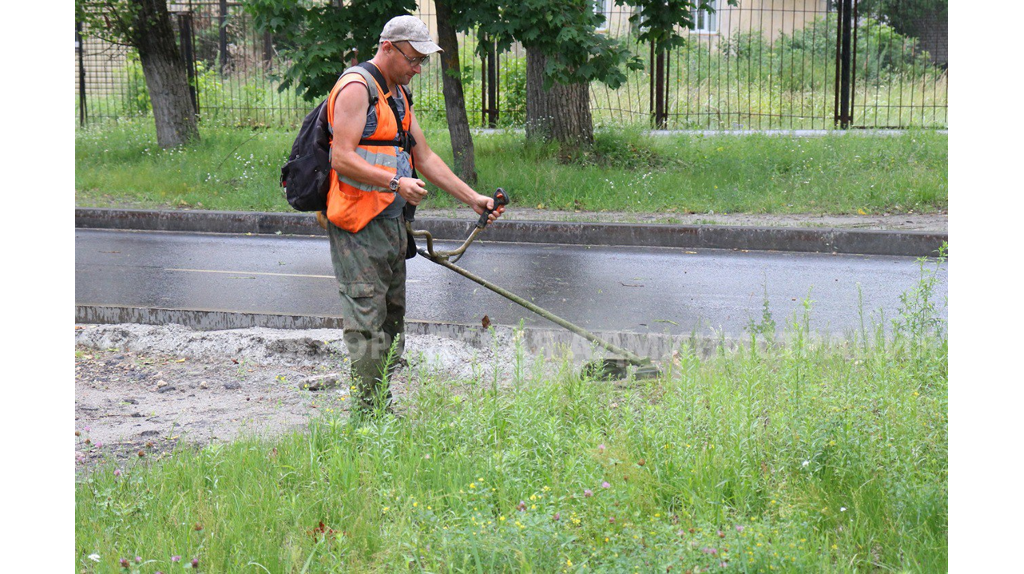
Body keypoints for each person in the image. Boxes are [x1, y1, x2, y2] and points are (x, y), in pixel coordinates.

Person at [322, 15, 505, 416]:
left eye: (422, 61)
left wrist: (472, 198)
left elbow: (424, 156)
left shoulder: (398, 95)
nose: (418, 68)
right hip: (356, 226)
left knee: (392, 318)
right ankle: (369, 417)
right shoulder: (356, 87)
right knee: (367, 321)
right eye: (413, 59)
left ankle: (380, 406)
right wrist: (395, 182)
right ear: (387, 47)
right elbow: (342, 157)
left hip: (391, 223)